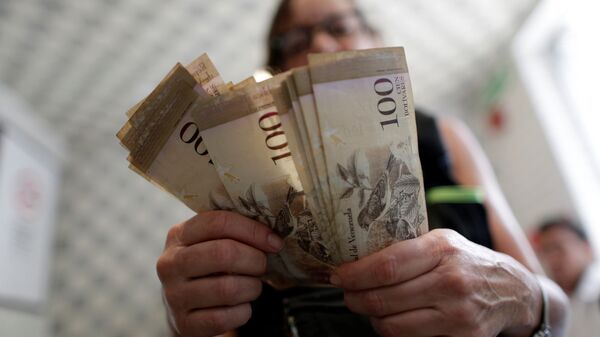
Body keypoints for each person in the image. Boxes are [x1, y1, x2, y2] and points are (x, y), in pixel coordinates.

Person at [155, 0, 569, 336]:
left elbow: (554, 306)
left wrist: (524, 296)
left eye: (339, 26)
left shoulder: (444, 135)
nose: (318, 42)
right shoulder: (240, 173)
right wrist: (182, 318)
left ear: (375, 39)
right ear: (276, 76)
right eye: (294, 39)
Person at [533, 217, 600, 337]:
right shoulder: (552, 309)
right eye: (545, 252)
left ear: (586, 248)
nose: (552, 260)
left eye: (557, 248)